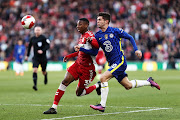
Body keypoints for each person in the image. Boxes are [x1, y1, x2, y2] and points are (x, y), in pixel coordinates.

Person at [90, 12, 160, 112]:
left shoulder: (115, 31)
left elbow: (130, 37)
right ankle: (149, 82)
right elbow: (94, 50)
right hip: (112, 63)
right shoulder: (98, 35)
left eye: (99, 19)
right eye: (97, 19)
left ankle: (102, 105)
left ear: (106, 21)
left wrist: (136, 49)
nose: (97, 21)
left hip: (120, 61)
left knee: (103, 77)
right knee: (128, 85)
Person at [43, 18, 100, 114]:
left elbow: (96, 49)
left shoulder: (89, 35)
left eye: (80, 24)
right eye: (77, 25)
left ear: (86, 25)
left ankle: (98, 85)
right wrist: (70, 55)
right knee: (64, 81)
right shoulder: (82, 36)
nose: (78, 26)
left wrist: (90, 40)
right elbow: (81, 52)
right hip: (78, 64)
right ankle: (54, 107)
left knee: (79, 93)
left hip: (87, 68)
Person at [25, 26, 50, 91]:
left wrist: (42, 50)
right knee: (35, 70)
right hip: (36, 57)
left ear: (41, 31)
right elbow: (29, 47)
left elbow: (48, 46)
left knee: (43, 71)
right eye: (36, 30)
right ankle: (35, 85)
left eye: (39, 30)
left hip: (43, 58)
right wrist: (27, 55)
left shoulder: (44, 38)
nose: (37, 31)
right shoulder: (32, 38)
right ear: (34, 31)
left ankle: (45, 75)